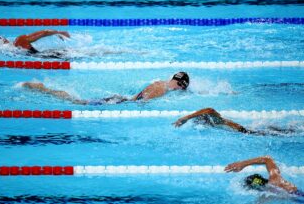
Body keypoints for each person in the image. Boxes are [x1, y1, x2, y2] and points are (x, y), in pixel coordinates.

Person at [22, 72, 190, 105]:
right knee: (78, 102)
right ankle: (42, 88)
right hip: (120, 102)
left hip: (121, 99)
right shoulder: (162, 89)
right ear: (181, 85)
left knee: (79, 101)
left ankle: (43, 88)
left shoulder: (160, 82)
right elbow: (142, 102)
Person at [172, 108, 297, 135]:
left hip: (248, 131)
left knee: (287, 133)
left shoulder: (216, 120)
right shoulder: (215, 123)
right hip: (247, 130)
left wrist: (185, 118)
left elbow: (209, 109)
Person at [224, 156, 303, 197]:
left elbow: (267, 159)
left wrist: (243, 163)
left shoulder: (275, 180)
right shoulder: (271, 188)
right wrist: (243, 164)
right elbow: (267, 159)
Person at [0, 29, 70, 57]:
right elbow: (44, 32)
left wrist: (58, 33)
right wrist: (59, 32)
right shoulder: (19, 41)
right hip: (49, 55)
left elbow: (44, 33)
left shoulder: (13, 50)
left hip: (48, 56)